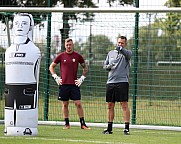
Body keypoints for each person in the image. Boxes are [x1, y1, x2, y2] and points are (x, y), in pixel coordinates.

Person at [49, 38, 90, 130]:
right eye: (67, 45)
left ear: (73, 45)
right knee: (65, 104)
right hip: (64, 84)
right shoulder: (61, 56)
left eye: (70, 45)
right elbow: (51, 67)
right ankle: (67, 124)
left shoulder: (78, 56)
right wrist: (55, 77)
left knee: (78, 103)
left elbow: (85, 67)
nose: (68, 46)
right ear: (65, 45)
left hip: (74, 84)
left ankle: (83, 124)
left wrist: (82, 78)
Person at [102, 36, 132, 135]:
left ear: (125, 44)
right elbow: (105, 66)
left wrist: (121, 49)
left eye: (122, 43)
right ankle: (109, 128)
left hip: (122, 82)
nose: (120, 44)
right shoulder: (110, 53)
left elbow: (126, 53)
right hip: (110, 82)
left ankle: (126, 128)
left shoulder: (127, 54)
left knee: (124, 105)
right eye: (119, 42)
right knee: (110, 105)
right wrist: (108, 67)